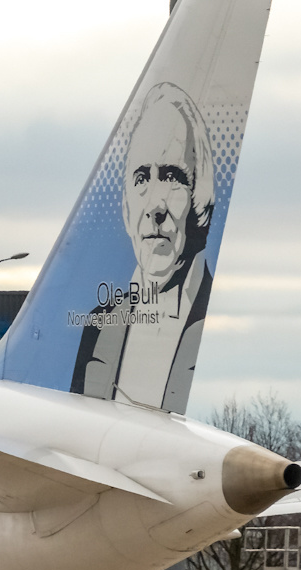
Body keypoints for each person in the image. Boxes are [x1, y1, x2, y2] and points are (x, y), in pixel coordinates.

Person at [71, 82, 216, 412]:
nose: (155, 206)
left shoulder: (210, 325)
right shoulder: (99, 324)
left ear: (200, 198)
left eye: (171, 177)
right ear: (125, 207)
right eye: (141, 178)